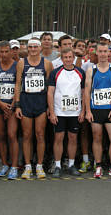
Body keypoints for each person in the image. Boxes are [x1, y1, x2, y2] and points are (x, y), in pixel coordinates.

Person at [14, 38, 53, 179]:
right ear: (27, 48)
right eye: (30, 47)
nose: (33, 49)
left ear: (40, 48)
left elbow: (50, 87)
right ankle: (27, 166)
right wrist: (17, 105)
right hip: (26, 101)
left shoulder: (47, 64)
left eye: (35, 47)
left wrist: (50, 106)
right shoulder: (21, 63)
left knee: (40, 134)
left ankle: (40, 165)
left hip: (41, 102)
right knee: (26, 135)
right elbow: (18, 84)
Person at [84, 42, 111, 178]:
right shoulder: (91, 70)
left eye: (105, 51)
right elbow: (87, 92)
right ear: (96, 53)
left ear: (109, 53)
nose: (102, 54)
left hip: (110, 109)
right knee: (97, 138)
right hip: (96, 109)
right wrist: (88, 111)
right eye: (100, 51)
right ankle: (99, 165)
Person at [47, 48, 85, 177]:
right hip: (59, 112)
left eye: (70, 57)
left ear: (73, 58)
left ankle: (71, 164)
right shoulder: (55, 73)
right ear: (62, 59)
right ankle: (57, 165)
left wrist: (83, 111)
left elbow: (84, 93)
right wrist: (52, 112)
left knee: (73, 138)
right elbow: (50, 93)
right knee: (59, 138)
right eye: (65, 57)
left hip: (75, 112)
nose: (68, 59)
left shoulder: (80, 72)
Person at [0, 41, 19, 179]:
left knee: (11, 135)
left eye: (6, 51)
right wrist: (0, 103)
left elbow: (18, 86)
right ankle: (4, 163)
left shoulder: (16, 66)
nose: (3, 54)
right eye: (1, 52)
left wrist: (12, 105)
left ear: (10, 51)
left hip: (12, 106)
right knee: (1, 135)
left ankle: (14, 166)